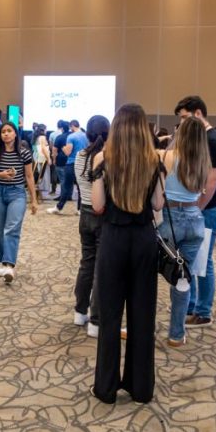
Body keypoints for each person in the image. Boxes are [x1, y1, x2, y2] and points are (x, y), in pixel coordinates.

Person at [90, 104, 163, 404]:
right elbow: (158, 204)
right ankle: (141, 387)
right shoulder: (153, 159)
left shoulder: (103, 159)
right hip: (144, 240)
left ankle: (106, 388)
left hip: (114, 239)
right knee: (142, 315)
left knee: (109, 315)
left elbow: (97, 206)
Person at [174, 96, 216, 328]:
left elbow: (212, 181)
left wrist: (196, 210)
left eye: (185, 117)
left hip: (208, 208)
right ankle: (191, 305)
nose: (183, 123)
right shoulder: (200, 138)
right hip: (198, 208)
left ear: (198, 113)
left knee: (203, 263)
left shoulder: (213, 140)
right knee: (192, 261)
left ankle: (203, 312)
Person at [158, 116, 211, 347]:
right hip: (194, 219)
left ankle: (140, 326)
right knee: (182, 278)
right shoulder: (203, 162)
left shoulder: (165, 156)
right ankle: (176, 335)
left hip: (168, 218)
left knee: (150, 273)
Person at [0, 121, 37, 283]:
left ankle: (9, 266)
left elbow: (29, 176)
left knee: (12, 229)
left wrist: (34, 200)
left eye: (9, 131)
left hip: (17, 193)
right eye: (3, 132)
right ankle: (4, 262)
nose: (6, 134)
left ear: (15, 133)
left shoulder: (24, 153)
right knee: (1, 230)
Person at [72, 115, 109, 339]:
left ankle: (80, 311)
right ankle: (96, 321)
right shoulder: (107, 158)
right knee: (101, 269)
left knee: (86, 263)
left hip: (85, 214)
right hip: (102, 215)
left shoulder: (80, 156)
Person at [50, 119, 87, 215]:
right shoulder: (86, 135)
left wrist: (63, 148)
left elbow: (68, 152)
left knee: (66, 186)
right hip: (83, 163)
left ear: (72, 126)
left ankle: (59, 207)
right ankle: (80, 209)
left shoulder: (71, 137)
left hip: (71, 163)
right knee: (80, 187)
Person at [31, 124, 52, 197]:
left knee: (39, 173)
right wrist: (48, 158)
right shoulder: (42, 137)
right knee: (43, 174)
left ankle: (39, 192)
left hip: (37, 156)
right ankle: (41, 191)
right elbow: (43, 149)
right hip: (42, 158)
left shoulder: (36, 136)